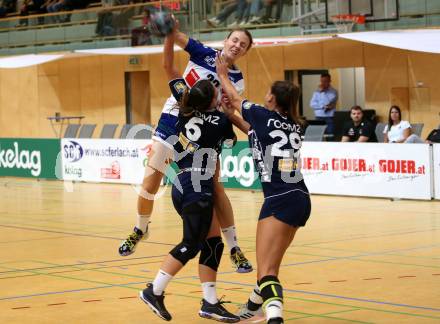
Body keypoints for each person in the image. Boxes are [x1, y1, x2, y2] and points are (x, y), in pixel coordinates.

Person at [118, 25, 254, 274]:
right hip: (173, 119)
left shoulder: (237, 80)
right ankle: (140, 229)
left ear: (245, 52)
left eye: (242, 44)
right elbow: (175, 41)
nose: (236, 45)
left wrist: (226, 120)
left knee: (215, 187)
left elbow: (229, 109)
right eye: (234, 40)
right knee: (151, 180)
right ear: (226, 40)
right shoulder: (203, 52)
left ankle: (234, 247)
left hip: (204, 129)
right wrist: (169, 27)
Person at [139, 27, 239, 323]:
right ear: (214, 100)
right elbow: (232, 140)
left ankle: (209, 302)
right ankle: (154, 290)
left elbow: (169, 67)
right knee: (191, 245)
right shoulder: (220, 120)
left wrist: (169, 34)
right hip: (198, 188)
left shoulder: (183, 106)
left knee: (212, 243)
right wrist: (225, 92)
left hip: (182, 185)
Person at [217, 54, 311, 324]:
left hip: (279, 198)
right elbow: (253, 132)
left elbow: (236, 98)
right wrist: (230, 116)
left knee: (267, 271)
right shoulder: (294, 125)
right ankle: (252, 307)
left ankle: (274, 318)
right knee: (270, 266)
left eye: (268, 92)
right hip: (300, 198)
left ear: (271, 99)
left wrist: (223, 75)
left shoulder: (262, 114)